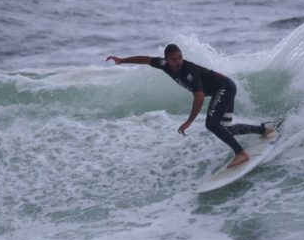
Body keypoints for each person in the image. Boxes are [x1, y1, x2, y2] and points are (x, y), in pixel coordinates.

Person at [106, 44, 275, 168]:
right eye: (174, 59)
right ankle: (264, 130)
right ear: (167, 60)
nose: (178, 61)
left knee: (211, 124)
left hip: (225, 87)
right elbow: (146, 59)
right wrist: (122, 60)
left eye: (180, 57)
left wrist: (188, 122)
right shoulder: (164, 64)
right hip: (224, 88)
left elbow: (199, 97)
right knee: (225, 129)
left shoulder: (189, 70)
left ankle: (241, 153)